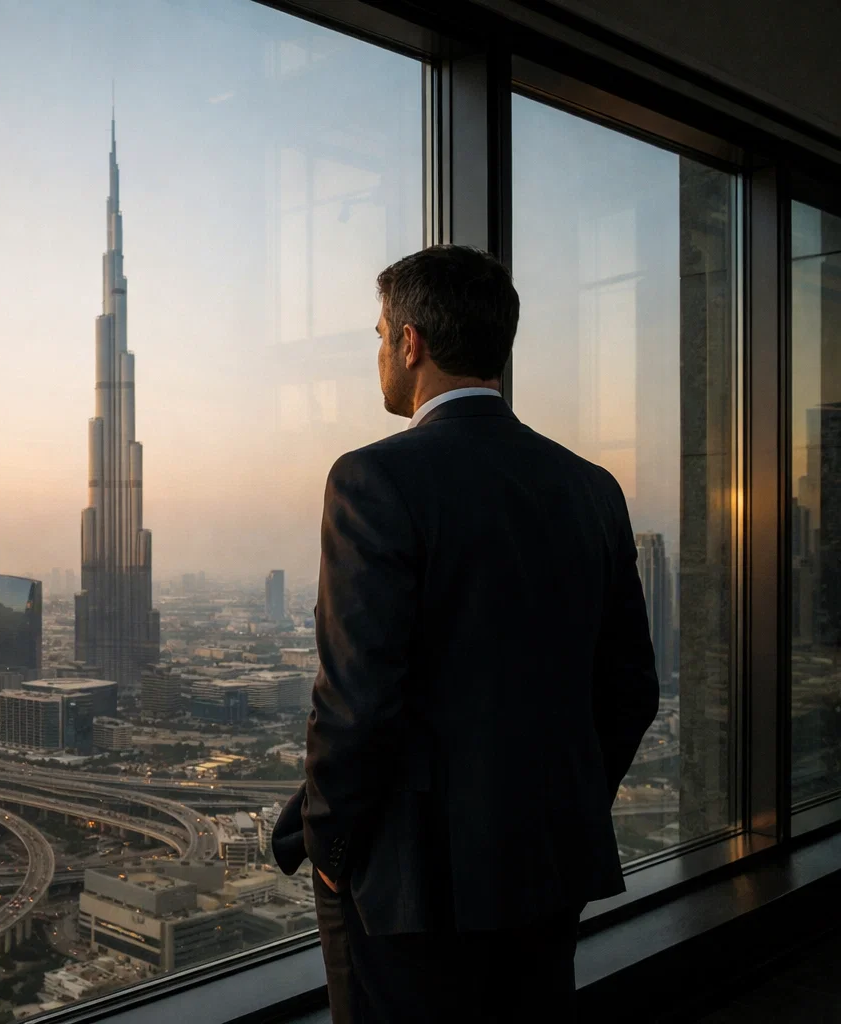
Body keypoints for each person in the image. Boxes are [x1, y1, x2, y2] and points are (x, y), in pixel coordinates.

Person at [280, 244, 660, 1022]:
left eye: (381, 335)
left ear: (411, 344)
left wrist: (331, 854)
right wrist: (561, 804)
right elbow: (631, 693)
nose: (379, 353)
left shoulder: (373, 479)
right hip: (551, 864)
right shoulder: (592, 487)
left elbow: (356, 704)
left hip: (418, 884)